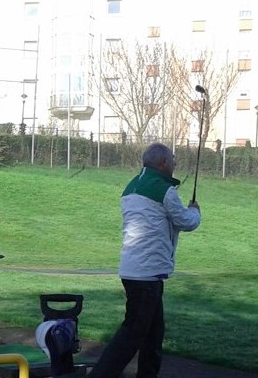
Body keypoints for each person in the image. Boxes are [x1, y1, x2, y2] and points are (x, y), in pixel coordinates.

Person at [88, 143, 201, 378]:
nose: (175, 163)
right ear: (162, 163)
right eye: (172, 159)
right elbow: (185, 221)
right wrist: (196, 211)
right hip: (147, 273)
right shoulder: (165, 191)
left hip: (133, 269)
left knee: (154, 333)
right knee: (133, 333)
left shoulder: (131, 187)